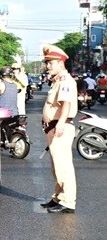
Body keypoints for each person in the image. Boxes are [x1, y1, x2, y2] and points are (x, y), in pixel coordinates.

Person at [40, 45, 78, 214]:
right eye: (47, 63)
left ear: (61, 63)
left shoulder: (65, 81)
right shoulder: (57, 80)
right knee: (56, 166)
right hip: (53, 127)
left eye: (51, 63)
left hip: (60, 127)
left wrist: (61, 123)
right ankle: (58, 197)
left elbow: (66, 103)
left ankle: (68, 201)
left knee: (63, 167)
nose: (48, 66)